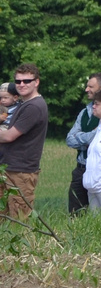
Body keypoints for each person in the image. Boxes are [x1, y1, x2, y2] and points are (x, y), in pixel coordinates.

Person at [0, 63, 49, 221]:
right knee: (5, 218)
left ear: (36, 82)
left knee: (20, 220)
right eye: (18, 81)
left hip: (21, 171)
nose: (22, 84)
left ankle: (28, 247)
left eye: (27, 81)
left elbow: (9, 136)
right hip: (9, 167)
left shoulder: (34, 107)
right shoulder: (24, 104)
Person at [65, 72, 101, 215]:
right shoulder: (84, 112)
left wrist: (87, 137)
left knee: (100, 214)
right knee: (75, 213)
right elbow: (69, 139)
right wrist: (91, 136)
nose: (86, 90)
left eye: (91, 86)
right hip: (80, 169)